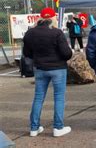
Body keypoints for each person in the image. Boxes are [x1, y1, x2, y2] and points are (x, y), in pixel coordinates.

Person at [23, 8, 73, 137]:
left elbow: (27, 53)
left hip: (40, 68)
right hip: (58, 69)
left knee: (38, 98)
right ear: (53, 18)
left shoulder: (30, 33)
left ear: (40, 18)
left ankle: (34, 128)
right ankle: (58, 127)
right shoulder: (57, 32)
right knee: (59, 98)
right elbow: (66, 53)